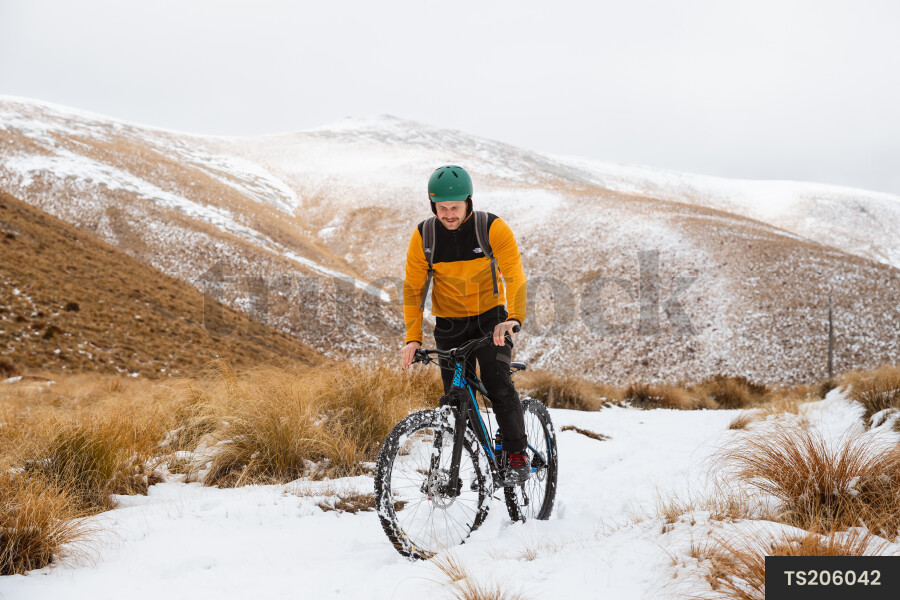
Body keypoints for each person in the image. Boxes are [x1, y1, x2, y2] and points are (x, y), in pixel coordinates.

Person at [400, 165, 530, 482]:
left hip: (491, 320)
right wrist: (412, 338)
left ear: (469, 201)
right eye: (441, 208)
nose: (448, 214)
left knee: (498, 382)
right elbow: (413, 289)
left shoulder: (492, 228)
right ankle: (476, 458)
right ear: (433, 206)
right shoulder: (424, 237)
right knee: (457, 399)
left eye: (455, 207)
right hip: (449, 325)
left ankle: (516, 454)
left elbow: (514, 276)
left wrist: (513, 318)